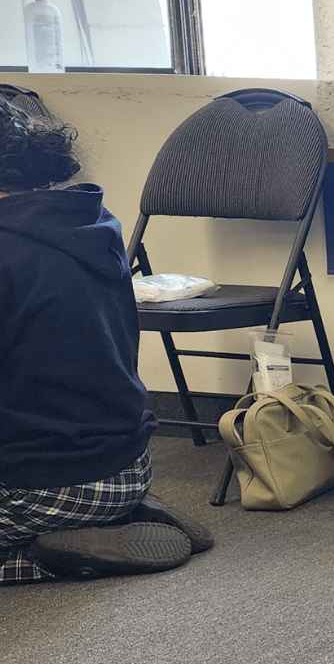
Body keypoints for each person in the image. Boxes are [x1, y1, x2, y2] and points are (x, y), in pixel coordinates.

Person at [0, 99, 212, 583]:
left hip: (43, 486)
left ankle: (48, 556)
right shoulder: (88, 224)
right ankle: (117, 517)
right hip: (125, 466)